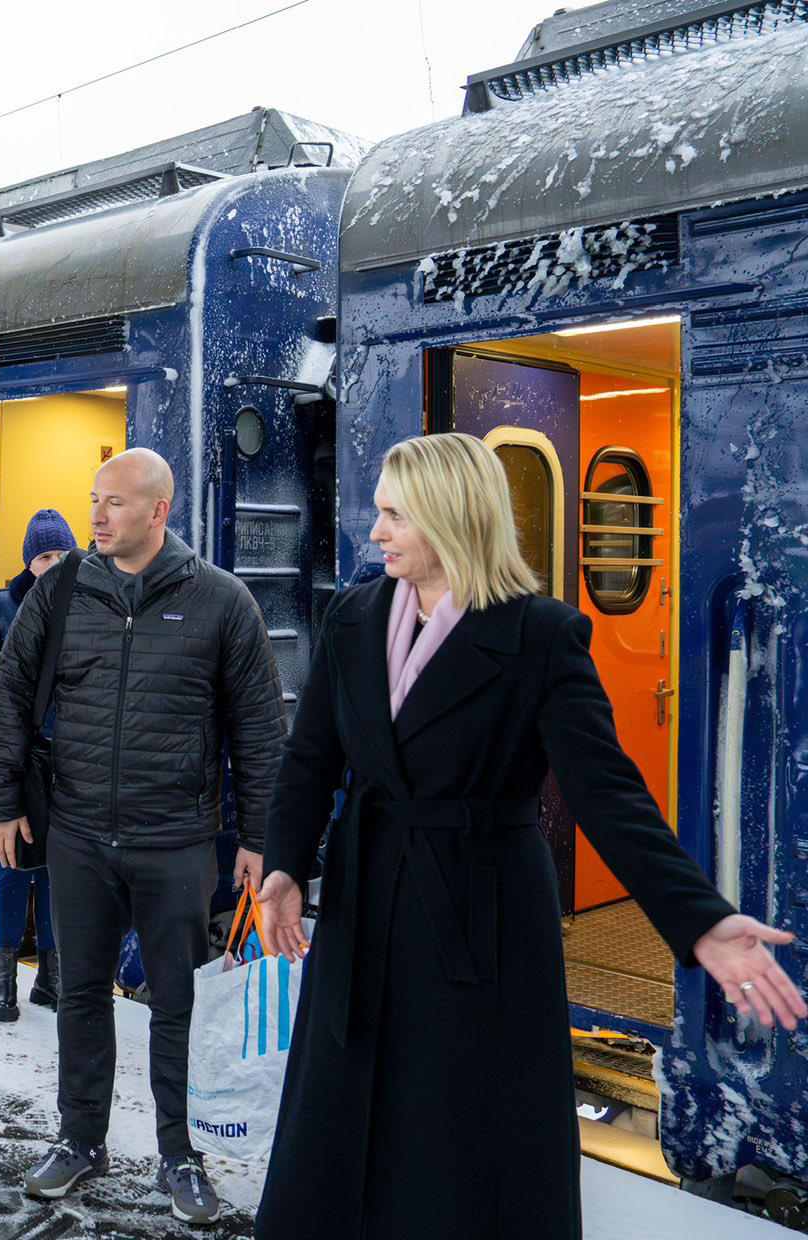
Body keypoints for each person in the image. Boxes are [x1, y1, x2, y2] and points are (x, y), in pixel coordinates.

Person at [250, 432, 806, 1240]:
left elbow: (607, 793)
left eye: (393, 515)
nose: (375, 533)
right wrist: (286, 870)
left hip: (480, 915)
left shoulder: (542, 636)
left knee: (464, 1129)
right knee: (345, 1105)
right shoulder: (354, 615)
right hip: (368, 899)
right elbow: (311, 759)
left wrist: (700, 921)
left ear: (448, 518)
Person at [0, 447, 286, 1222]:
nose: (97, 516)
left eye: (114, 502)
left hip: (176, 839)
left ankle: (181, 1156)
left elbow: (258, 731)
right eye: (93, 501)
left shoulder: (222, 602)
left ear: (159, 511)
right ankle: (80, 1140)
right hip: (76, 833)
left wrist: (261, 838)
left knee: (176, 1001)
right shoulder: (61, 592)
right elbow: (7, 695)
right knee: (79, 993)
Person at [0, 510, 77, 1022]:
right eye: (44, 555)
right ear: (29, 560)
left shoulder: (85, 604)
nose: (53, 564)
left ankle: (50, 978)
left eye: (61, 554)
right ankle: (5, 977)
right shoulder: (0, 607)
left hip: (67, 763)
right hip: (14, 763)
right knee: (10, 868)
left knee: (57, 872)